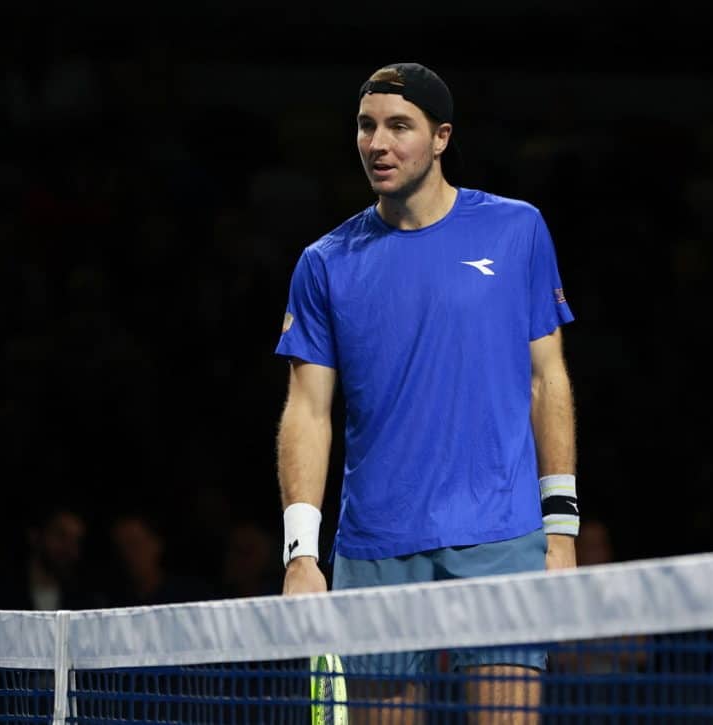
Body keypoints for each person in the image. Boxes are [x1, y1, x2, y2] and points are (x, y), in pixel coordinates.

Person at [273, 62, 579, 724]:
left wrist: (561, 526)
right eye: (366, 126)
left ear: (440, 138)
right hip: (376, 543)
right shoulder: (325, 262)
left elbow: (546, 376)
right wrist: (301, 553)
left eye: (399, 127)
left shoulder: (516, 230)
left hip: (501, 535)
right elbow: (308, 408)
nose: (377, 144)